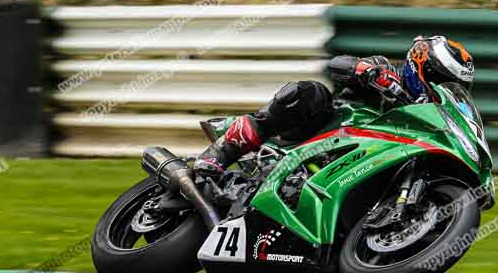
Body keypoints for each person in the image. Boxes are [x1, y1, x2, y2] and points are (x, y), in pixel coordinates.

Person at [194, 35, 475, 176]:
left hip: (358, 166)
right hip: (320, 135)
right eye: (439, 79)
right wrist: (366, 71)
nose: (440, 88)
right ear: (422, 66)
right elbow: (337, 65)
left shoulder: (427, 120)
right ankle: (226, 148)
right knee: (310, 92)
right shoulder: (384, 70)